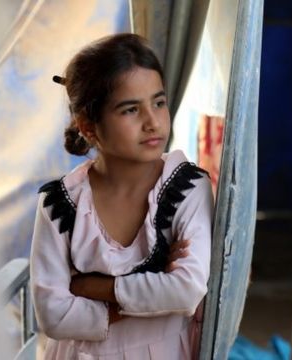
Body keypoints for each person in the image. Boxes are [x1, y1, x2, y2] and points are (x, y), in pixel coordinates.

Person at [29, 33, 214, 359]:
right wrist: (155, 291)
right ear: (88, 127)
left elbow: (186, 291)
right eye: (130, 110)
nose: (152, 122)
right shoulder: (61, 204)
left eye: (159, 102)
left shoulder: (187, 188)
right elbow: (53, 316)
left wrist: (93, 288)